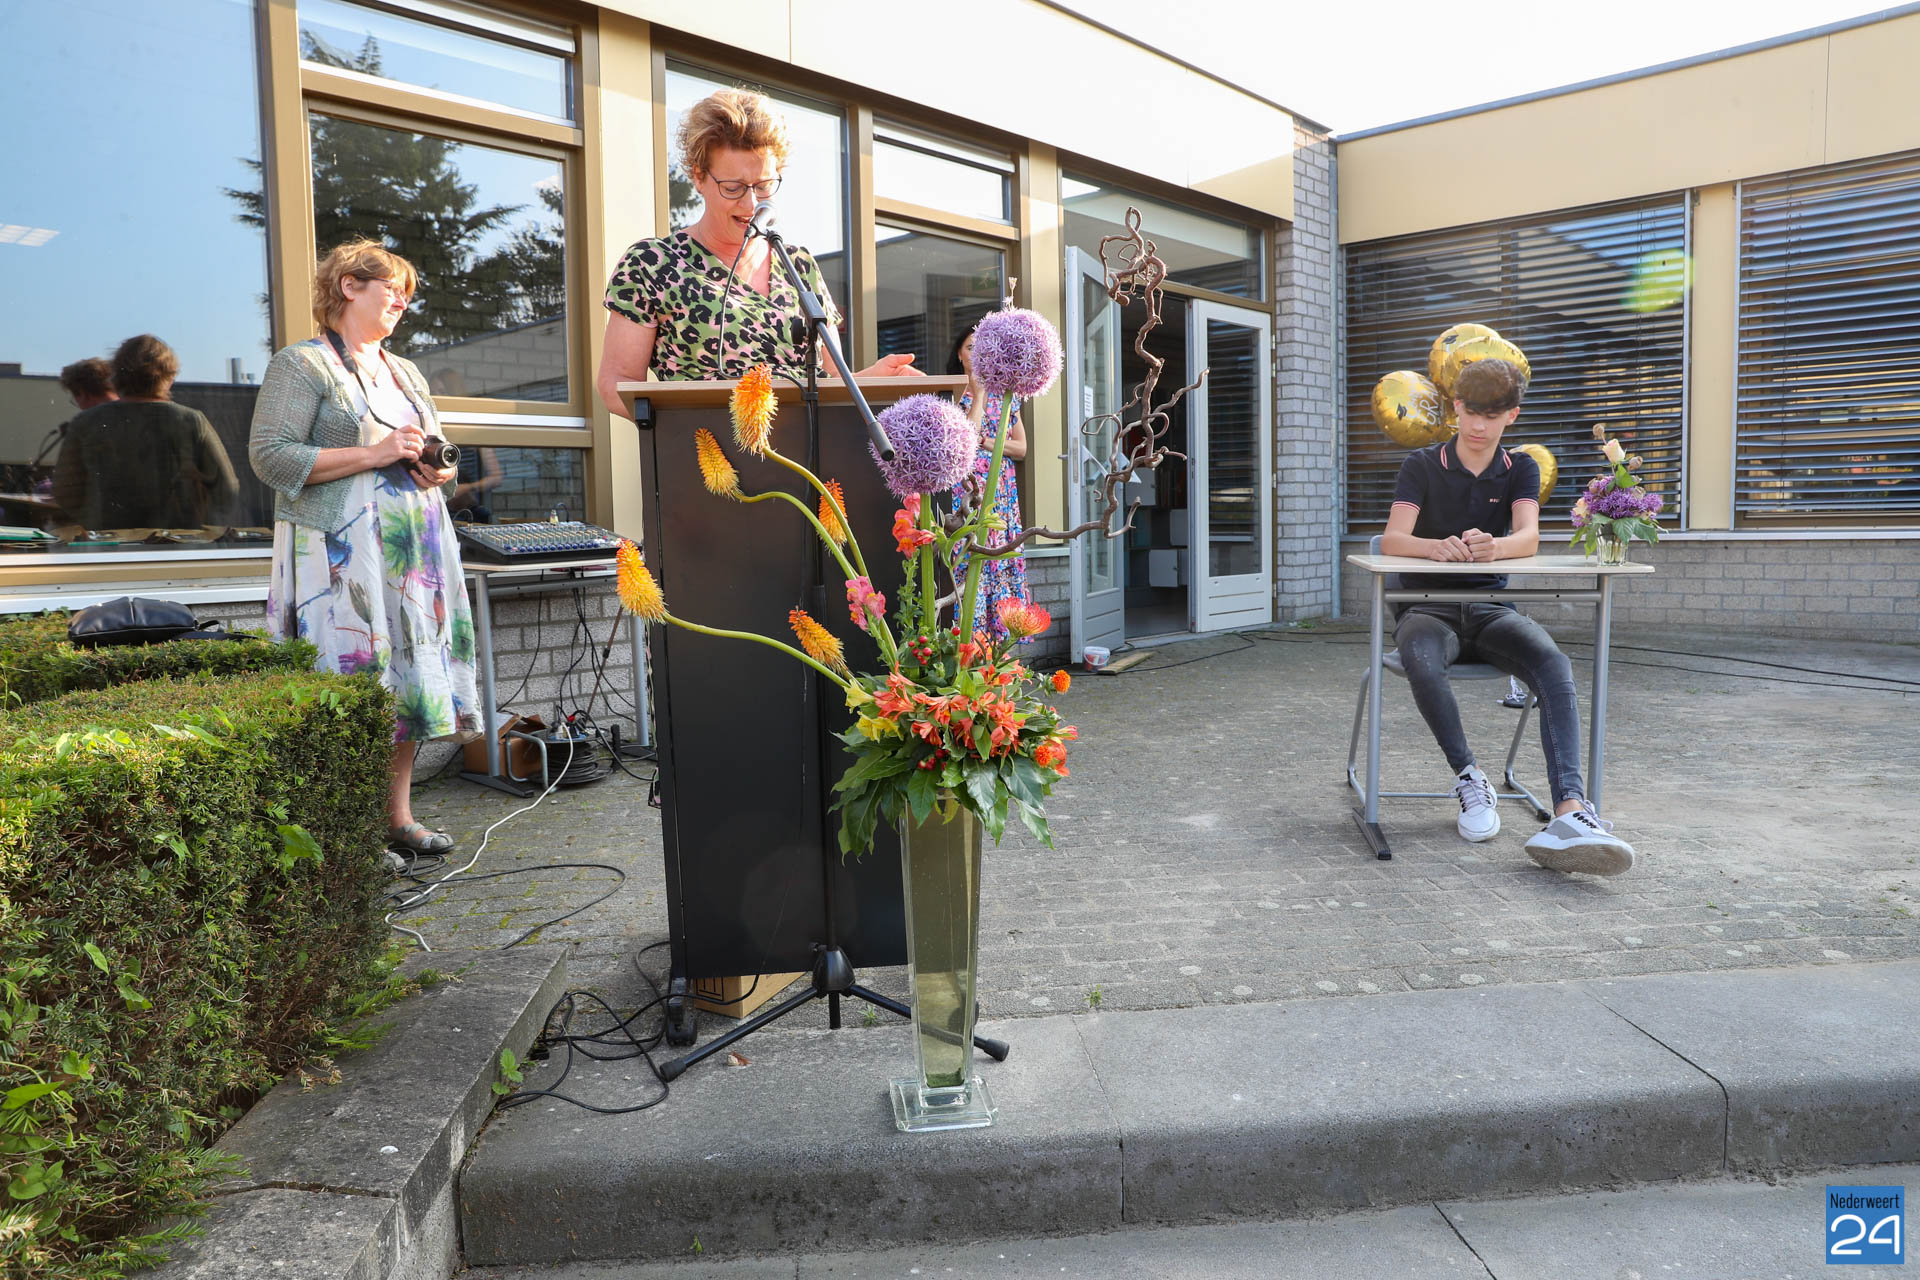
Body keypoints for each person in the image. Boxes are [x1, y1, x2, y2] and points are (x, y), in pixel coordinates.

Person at [249, 238, 481, 856]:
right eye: (392, 289)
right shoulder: (302, 364)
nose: (402, 302)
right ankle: (346, 835)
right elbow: (270, 456)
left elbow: (437, 458)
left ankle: (397, 818)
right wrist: (374, 454)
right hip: (337, 550)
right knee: (350, 681)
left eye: (407, 294)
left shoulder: (406, 372)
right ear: (349, 286)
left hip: (412, 550)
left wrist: (439, 470)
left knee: (407, 676)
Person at [1381, 357, 1636, 876]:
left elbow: (1529, 538)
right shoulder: (1422, 464)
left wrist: (1495, 548)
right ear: (1456, 407)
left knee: (1553, 664)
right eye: (1472, 412)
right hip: (1426, 607)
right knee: (1422, 660)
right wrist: (1434, 547)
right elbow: (1392, 540)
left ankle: (1570, 812)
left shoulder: (1520, 467)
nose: (1479, 426)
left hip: (1491, 610)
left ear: (1512, 415)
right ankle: (1470, 778)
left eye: (1492, 415)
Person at [595, 86, 919, 412]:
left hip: (805, 447)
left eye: (764, 186)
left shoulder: (800, 265)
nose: (751, 204)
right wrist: (681, 429)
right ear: (699, 177)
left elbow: (833, 382)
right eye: (733, 188)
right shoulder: (652, 264)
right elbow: (616, 385)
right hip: (704, 445)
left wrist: (872, 380)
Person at [51, 335, 240, 531]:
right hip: (176, 542)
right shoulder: (191, 421)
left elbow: (65, 491)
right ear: (170, 375)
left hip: (109, 542)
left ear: (115, 375)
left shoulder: (85, 423)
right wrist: (194, 520)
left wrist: (96, 519)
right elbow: (227, 490)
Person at [948, 322, 1031, 641]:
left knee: (1000, 553)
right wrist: (978, 394)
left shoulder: (1006, 397)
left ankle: (1000, 641)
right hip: (969, 491)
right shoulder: (952, 395)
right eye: (970, 347)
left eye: (982, 348)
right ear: (959, 354)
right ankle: (969, 637)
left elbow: (1021, 449)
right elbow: (965, 440)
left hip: (1001, 492)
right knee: (971, 556)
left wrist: (986, 442)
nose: (977, 353)